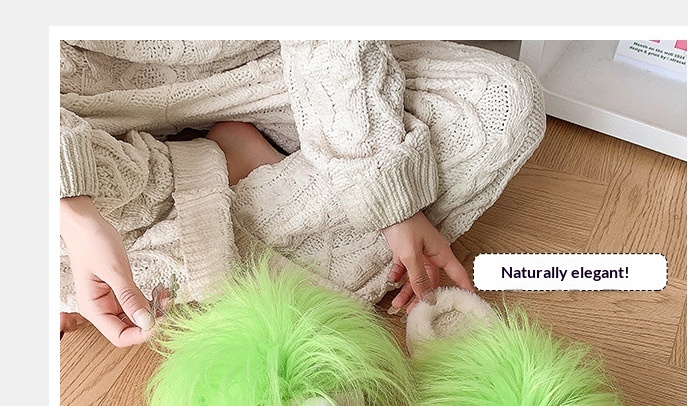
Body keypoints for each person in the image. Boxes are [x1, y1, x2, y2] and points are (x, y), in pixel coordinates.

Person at [59, 39, 545, 347]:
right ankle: (224, 176)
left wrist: (385, 186)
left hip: (277, 64)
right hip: (80, 107)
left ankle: (203, 247)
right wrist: (72, 207)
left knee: (502, 103)